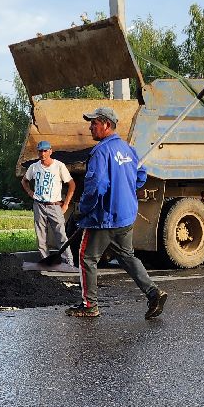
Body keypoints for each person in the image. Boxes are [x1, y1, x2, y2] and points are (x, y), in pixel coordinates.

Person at [68, 107, 167, 320]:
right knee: (126, 256)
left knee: (87, 258)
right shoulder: (128, 149)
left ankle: (89, 305)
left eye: (94, 123)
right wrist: (126, 189)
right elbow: (141, 175)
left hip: (104, 217)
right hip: (126, 215)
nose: (90, 127)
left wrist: (82, 210)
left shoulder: (101, 152)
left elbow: (96, 185)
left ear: (105, 124)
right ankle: (154, 293)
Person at [21, 140, 75, 267]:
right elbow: (24, 181)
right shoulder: (34, 167)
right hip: (39, 204)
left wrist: (66, 203)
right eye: (40, 151)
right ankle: (45, 262)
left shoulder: (59, 166)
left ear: (50, 151)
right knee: (41, 237)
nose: (43, 154)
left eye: (45, 151)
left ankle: (69, 263)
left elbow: (72, 184)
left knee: (61, 235)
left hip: (54, 205)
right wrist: (30, 193)